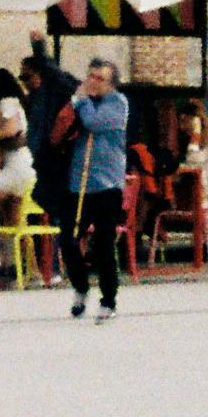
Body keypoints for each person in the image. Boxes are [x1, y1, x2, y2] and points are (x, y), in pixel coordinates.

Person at [63, 60, 135, 317]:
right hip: (79, 183)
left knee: (104, 243)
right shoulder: (82, 102)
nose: (93, 82)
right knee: (69, 240)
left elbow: (94, 122)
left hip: (106, 184)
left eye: (100, 78)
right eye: (90, 76)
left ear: (111, 83)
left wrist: (81, 99)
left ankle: (109, 299)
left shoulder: (117, 104)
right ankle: (81, 286)